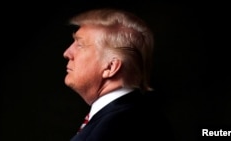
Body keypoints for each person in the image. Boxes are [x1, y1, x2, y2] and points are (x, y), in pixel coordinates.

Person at [63, 8, 175, 141]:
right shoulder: (138, 117)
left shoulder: (114, 128)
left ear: (110, 67)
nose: (67, 53)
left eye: (80, 45)